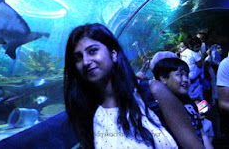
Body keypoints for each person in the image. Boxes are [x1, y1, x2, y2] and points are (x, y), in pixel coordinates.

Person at [64, 23, 204, 148]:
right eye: (78, 57)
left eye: (93, 51)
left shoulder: (151, 93)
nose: (86, 61)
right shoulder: (88, 112)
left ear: (113, 54)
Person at [152, 56, 213, 148]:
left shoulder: (188, 101)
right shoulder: (159, 108)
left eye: (186, 75)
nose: (185, 80)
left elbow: (201, 133)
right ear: (163, 79)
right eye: (180, 75)